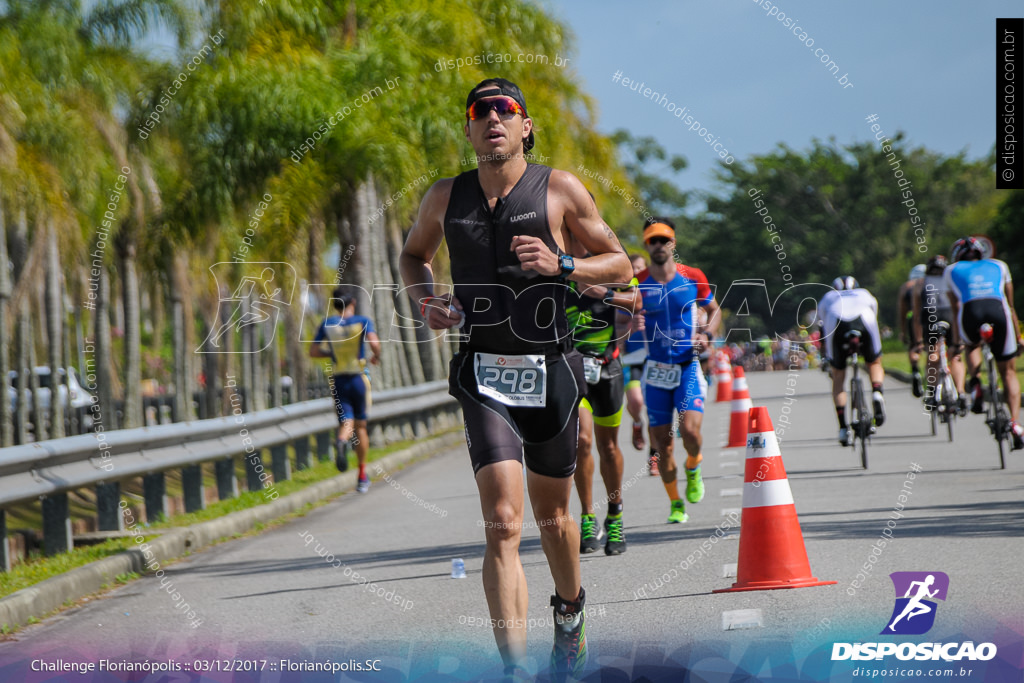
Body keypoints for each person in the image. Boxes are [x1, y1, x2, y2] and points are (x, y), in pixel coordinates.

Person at [399, 77, 632, 681]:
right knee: (502, 519)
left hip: (550, 370)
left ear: (525, 126)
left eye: (506, 110)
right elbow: (412, 257)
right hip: (484, 370)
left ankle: (571, 612)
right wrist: (426, 303)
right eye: (481, 112)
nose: (493, 119)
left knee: (554, 521)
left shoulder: (558, 189)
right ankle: (516, 670)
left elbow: (622, 263)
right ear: (470, 128)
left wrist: (566, 263)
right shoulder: (445, 197)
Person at [633, 218, 721, 524]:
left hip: (687, 366)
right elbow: (621, 320)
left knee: (690, 432)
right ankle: (675, 503)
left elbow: (714, 310)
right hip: (656, 372)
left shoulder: (692, 277)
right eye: (653, 241)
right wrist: (632, 323)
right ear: (647, 244)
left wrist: (706, 335)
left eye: (664, 240)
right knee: (662, 445)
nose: (659, 245)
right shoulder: (639, 282)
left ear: (673, 243)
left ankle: (694, 466)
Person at [566, 252, 640, 556]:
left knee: (608, 448)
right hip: (571, 370)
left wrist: (604, 293)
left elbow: (638, 301)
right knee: (582, 442)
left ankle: (615, 515)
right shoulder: (554, 268)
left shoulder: (613, 267)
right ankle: (587, 517)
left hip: (607, 369)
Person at [944, 237, 1023, 449]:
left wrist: (956, 342)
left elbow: (955, 308)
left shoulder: (951, 270)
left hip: (971, 312)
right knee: (1008, 372)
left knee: (971, 346)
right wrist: (1019, 337)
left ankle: (976, 382)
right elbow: (1010, 305)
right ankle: (1015, 424)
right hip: (998, 310)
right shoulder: (999, 265)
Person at [309, 289, 381, 491]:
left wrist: (330, 352)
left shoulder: (328, 324)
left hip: (338, 380)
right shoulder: (362, 321)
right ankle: (361, 475)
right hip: (358, 378)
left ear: (335, 305)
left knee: (346, 422)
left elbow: (313, 351)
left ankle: (341, 440)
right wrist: (376, 356)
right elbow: (375, 344)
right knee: (361, 427)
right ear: (353, 303)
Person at [818, 276, 886, 446]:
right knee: (875, 362)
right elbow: (874, 315)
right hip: (864, 319)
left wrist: (827, 356)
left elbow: (822, 328)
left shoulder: (828, 297)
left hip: (837, 322)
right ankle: (877, 392)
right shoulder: (864, 293)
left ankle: (843, 428)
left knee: (839, 375)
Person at [911, 255, 965, 414]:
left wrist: (918, 341)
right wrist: (958, 340)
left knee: (933, 353)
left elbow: (915, 315)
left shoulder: (920, 283)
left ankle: (933, 392)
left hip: (931, 317)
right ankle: (961, 392)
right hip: (950, 316)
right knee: (955, 355)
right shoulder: (951, 280)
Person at [621, 253, 655, 468]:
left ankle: (654, 457)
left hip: (655, 358)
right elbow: (612, 332)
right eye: (632, 268)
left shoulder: (655, 292)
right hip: (631, 358)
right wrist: (628, 327)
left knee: (654, 410)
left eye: (640, 268)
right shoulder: (620, 295)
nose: (636, 272)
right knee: (635, 402)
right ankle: (636, 422)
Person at [899, 264, 927, 397]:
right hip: (931, 316)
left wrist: (903, 331)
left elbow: (902, 311)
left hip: (912, 318)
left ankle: (915, 370)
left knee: (915, 347)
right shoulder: (931, 282)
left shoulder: (907, 286)